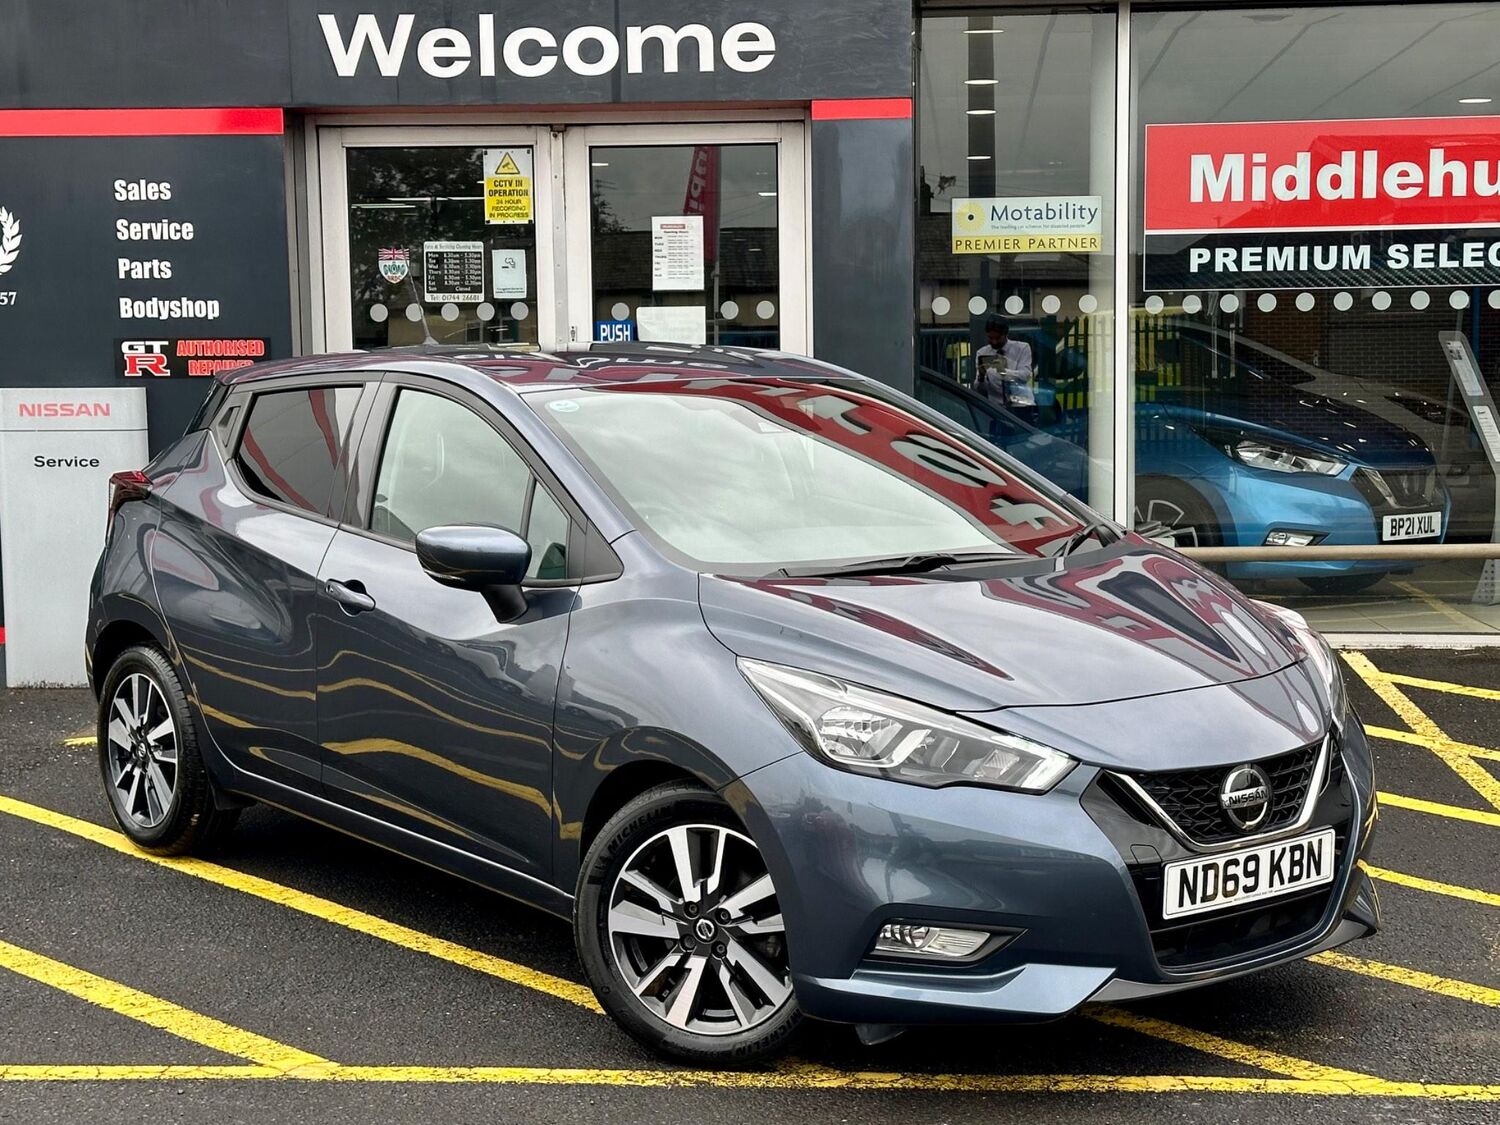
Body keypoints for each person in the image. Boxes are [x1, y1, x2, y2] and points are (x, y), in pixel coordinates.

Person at [974, 315, 1036, 424]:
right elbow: (979, 389)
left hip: (1020, 405)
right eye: (990, 338)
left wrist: (1003, 371)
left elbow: (1025, 375)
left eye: (997, 338)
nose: (994, 342)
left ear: (1005, 334)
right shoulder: (982, 353)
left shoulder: (1022, 348)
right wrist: (981, 377)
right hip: (997, 409)